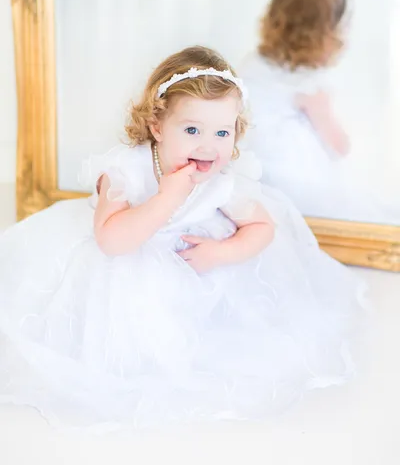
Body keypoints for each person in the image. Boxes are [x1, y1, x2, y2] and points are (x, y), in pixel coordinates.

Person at [0, 46, 366, 432]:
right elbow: (111, 242)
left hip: (196, 274)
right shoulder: (125, 172)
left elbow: (263, 228)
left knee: (230, 341)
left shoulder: (223, 183)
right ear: (157, 127)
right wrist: (165, 199)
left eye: (222, 132)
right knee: (124, 344)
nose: (208, 146)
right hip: (125, 274)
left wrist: (223, 252)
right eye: (192, 130)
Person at [240, 0, 397, 222]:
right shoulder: (310, 85)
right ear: (324, 34)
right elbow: (339, 145)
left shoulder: (253, 66)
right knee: (372, 214)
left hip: (255, 176)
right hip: (299, 185)